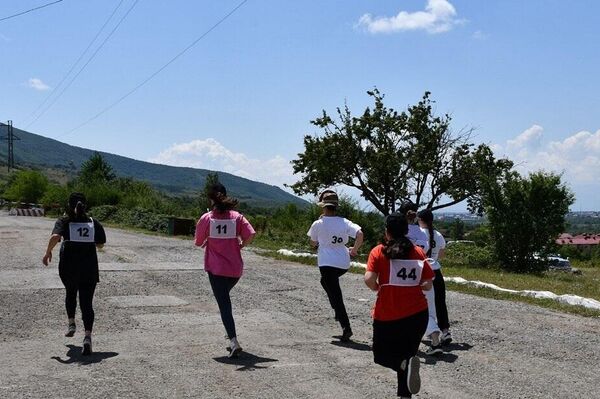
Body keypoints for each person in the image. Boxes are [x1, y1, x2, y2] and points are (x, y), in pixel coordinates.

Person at [364, 212, 435, 398]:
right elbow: (428, 284)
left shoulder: (378, 251)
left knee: (381, 355)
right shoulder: (418, 252)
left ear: (387, 232)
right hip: (417, 314)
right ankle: (405, 392)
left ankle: (402, 364)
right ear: (406, 231)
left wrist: (379, 287)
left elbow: (369, 280)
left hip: (388, 314)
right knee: (408, 356)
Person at [195, 183, 256, 358]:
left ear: (211, 199)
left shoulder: (207, 218)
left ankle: (233, 340)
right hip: (235, 269)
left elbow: (199, 242)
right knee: (224, 299)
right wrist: (241, 245)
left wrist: (208, 240)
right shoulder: (237, 217)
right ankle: (230, 334)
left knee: (224, 305)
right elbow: (251, 234)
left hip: (216, 269)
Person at [42, 192, 106, 356]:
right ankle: (87, 337)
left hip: (69, 267)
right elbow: (100, 244)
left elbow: (55, 236)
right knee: (87, 303)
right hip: (89, 268)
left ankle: (71, 323)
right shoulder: (93, 222)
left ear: (68, 205)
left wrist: (47, 252)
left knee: (71, 292)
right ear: (85, 205)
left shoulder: (64, 221)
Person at [307, 191, 363, 342]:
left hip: (326, 263)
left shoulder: (318, 223)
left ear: (323, 207)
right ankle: (337, 311)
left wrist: (318, 241)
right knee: (325, 282)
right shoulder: (345, 222)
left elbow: (312, 243)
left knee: (336, 295)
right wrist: (354, 250)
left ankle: (346, 326)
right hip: (343, 262)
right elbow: (360, 234)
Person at [418, 208, 452, 346]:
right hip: (436, 270)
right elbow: (442, 254)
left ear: (420, 220)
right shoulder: (438, 235)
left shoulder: (418, 233)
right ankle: (445, 330)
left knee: (423, 304)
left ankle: (429, 331)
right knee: (440, 302)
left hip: (423, 272)